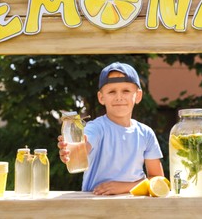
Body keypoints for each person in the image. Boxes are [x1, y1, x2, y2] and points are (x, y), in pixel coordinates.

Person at [58, 62, 164, 195]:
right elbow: (84, 145)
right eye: (112, 91)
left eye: (126, 91)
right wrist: (73, 151)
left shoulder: (146, 133)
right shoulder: (96, 128)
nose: (119, 97)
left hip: (136, 209)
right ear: (101, 97)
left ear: (138, 96)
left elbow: (158, 179)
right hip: (97, 207)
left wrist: (124, 187)